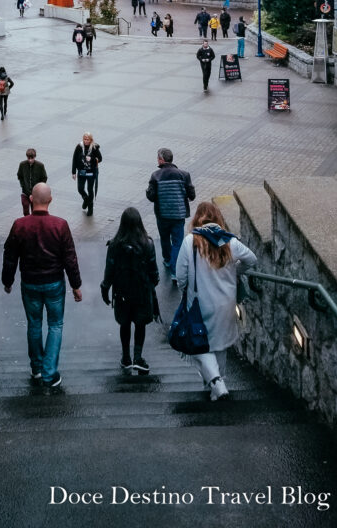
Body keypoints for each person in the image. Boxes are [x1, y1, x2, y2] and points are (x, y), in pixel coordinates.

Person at [2, 183, 82, 388]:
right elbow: (70, 258)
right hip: (54, 283)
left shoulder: (19, 225)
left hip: (29, 283)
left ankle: (37, 368)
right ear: (51, 200)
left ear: (30, 199)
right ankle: (49, 373)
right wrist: (75, 285)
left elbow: (10, 256)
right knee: (55, 325)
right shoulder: (60, 225)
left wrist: (7, 281)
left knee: (34, 324)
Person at [175, 201, 257, 402]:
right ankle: (214, 387)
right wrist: (233, 273)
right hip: (226, 303)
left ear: (197, 219)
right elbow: (252, 259)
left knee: (198, 345)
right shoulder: (230, 242)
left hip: (200, 303)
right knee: (219, 345)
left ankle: (216, 382)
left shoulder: (190, 241)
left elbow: (181, 276)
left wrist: (185, 291)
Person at [100, 207, 159, 373]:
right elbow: (153, 271)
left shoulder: (115, 245)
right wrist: (152, 284)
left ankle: (126, 357)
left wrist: (105, 289)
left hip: (122, 293)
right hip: (141, 292)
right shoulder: (147, 244)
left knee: (124, 324)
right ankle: (138, 357)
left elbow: (109, 271)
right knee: (140, 325)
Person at [146, 147, 195, 282]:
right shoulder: (184, 175)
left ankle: (167, 260)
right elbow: (192, 195)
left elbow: (151, 196)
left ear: (161, 160)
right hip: (178, 216)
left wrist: (148, 191)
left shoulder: (156, 176)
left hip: (162, 215)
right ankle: (175, 271)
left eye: (158, 158)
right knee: (177, 243)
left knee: (165, 238)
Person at [72, 132, 102, 216]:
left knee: (90, 190)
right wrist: (73, 172)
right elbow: (74, 159)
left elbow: (100, 158)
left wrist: (92, 159)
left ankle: (90, 207)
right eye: (84, 139)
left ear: (91, 140)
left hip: (91, 173)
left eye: (87, 139)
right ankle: (85, 199)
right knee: (80, 189)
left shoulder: (94, 147)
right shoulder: (79, 147)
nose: (85, 141)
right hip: (81, 171)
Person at [17, 148, 48, 216]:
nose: (30, 160)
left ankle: (32, 222)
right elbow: (19, 176)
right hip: (25, 192)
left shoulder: (40, 166)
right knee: (25, 208)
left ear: (35, 157)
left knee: (34, 210)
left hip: (36, 193)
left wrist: (39, 188)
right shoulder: (22, 165)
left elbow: (44, 177)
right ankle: (27, 220)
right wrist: (23, 185)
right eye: (28, 158)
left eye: (32, 158)